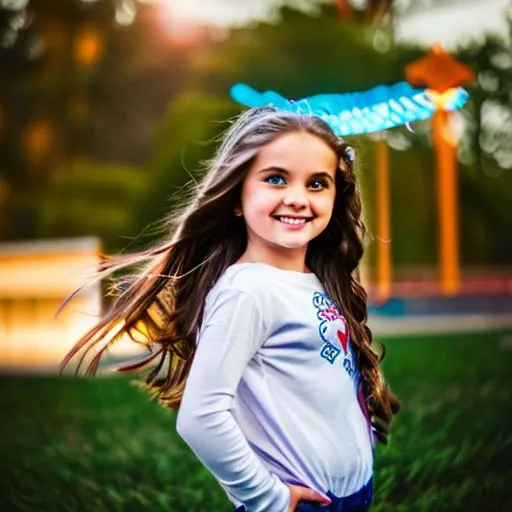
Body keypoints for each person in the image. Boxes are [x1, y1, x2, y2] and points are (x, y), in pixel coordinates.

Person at [62, 106, 400, 512]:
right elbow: (200, 418)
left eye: (317, 183)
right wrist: (270, 499)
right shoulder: (247, 290)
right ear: (237, 197)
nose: (297, 198)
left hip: (351, 495)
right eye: (276, 178)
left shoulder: (311, 278)